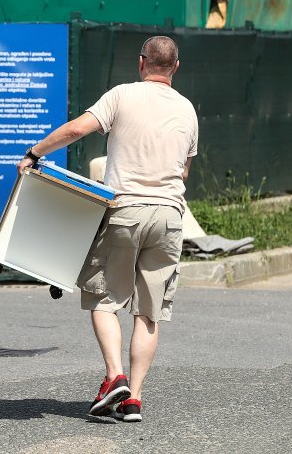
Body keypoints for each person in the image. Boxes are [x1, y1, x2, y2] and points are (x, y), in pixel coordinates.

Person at [17, 36, 198, 423]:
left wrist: (35, 153)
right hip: (169, 217)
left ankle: (114, 375)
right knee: (148, 314)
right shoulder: (187, 110)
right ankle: (133, 398)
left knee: (103, 298)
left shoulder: (122, 95)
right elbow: (183, 169)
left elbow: (75, 130)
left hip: (125, 212)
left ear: (141, 63)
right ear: (176, 68)